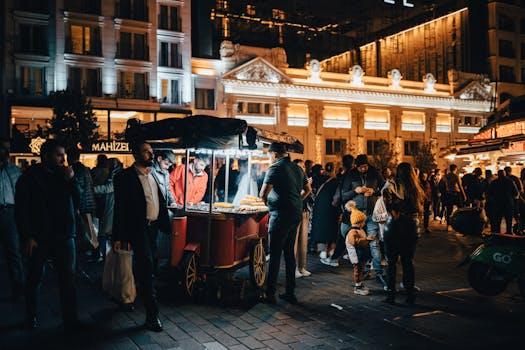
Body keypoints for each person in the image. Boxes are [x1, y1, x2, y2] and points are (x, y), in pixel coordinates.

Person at [15, 139, 82, 331]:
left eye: (64, 155)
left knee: (68, 280)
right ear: (46, 156)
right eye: (59, 155)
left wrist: (72, 179)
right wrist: (27, 235)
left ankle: (71, 320)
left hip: (64, 235)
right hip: (39, 237)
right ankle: (31, 318)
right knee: (34, 278)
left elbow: (79, 200)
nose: (63, 159)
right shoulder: (29, 177)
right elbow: (22, 209)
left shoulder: (66, 175)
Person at [112, 141, 171, 332]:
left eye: (151, 151)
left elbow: (159, 201)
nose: (151, 154)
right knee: (146, 269)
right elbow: (119, 208)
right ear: (136, 155)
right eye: (146, 151)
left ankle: (129, 296)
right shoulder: (125, 177)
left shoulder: (152, 174)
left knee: (148, 266)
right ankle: (152, 315)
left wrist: (165, 225)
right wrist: (118, 236)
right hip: (137, 229)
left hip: (153, 229)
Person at [260, 142, 311, 305]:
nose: (270, 159)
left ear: (274, 154)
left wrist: (268, 205)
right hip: (295, 214)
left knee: (275, 255)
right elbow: (308, 190)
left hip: (280, 215)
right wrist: (296, 201)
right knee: (289, 253)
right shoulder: (298, 168)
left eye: (270, 156)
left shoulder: (275, 168)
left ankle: (269, 294)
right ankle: (290, 292)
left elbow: (263, 194)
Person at [327, 154, 386, 287]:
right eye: (360, 167)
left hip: (371, 214)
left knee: (373, 242)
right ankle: (363, 270)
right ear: (356, 166)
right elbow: (343, 195)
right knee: (360, 244)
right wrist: (355, 190)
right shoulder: (351, 175)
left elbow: (384, 189)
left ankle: (378, 271)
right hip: (357, 215)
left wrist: (374, 191)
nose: (363, 169)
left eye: (365, 167)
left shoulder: (375, 173)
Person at [382, 162, 425, 305]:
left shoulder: (390, 187)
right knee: (408, 262)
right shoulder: (416, 189)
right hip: (411, 226)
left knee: (391, 262)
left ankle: (391, 294)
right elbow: (419, 209)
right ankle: (410, 295)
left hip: (393, 227)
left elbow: (389, 207)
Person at [0, 137, 25, 301]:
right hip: (8, 211)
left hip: (10, 212)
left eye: (7, 149)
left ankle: (18, 290)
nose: (6, 152)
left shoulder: (14, 170)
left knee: (14, 254)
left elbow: (21, 194)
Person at [67, 146, 97, 252]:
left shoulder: (76, 169)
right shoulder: (84, 168)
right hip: (89, 205)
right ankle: (92, 252)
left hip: (83, 206)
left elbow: (78, 189)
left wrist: (77, 206)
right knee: (89, 232)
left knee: (86, 234)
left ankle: (92, 253)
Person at [344, 201, 374, 295]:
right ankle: (357, 286)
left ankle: (360, 284)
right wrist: (366, 239)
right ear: (359, 222)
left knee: (361, 270)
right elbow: (356, 242)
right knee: (358, 271)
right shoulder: (352, 232)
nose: (364, 223)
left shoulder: (359, 230)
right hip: (356, 256)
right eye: (363, 222)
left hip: (361, 255)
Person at [293, 159, 312, 278]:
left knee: (303, 241)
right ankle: (294, 268)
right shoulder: (293, 180)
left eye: (303, 167)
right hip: (295, 212)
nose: (302, 169)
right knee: (294, 242)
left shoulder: (305, 180)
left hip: (304, 211)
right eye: (299, 167)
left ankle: (302, 267)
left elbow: (310, 194)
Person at [486, 170, 518, 234]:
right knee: (509, 221)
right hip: (508, 203)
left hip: (497, 204)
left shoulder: (494, 182)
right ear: (505, 174)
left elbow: (489, 193)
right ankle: (508, 234)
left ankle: (498, 235)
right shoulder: (510, 182)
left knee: (497, 221)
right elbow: (516, 193)